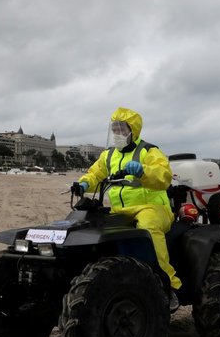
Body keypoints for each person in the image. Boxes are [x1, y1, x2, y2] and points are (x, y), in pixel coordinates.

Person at [73, 107, 181, 312]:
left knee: (149, 228)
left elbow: (164, 176)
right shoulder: (108, 155)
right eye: (114, 129)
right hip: (120, 211)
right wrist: (84, 184)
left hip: (153, 207)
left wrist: (143, 171)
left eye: (122, 129)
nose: (117, 134)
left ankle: (169, 285)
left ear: (134, 130)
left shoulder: (148, 151)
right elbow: (95, 174)